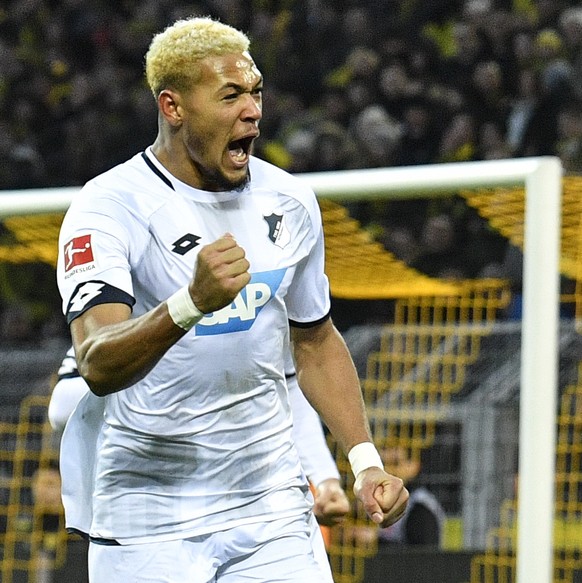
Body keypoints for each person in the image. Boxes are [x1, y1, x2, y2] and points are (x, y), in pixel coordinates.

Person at [55, 16, 408, 583]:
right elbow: (97, 361)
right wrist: (190, 303)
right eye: (231, 95)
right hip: (149, 506)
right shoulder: (108, 207)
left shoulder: (289, 201)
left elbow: (315, 340)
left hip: (270, 500)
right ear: (173, 107)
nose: (253, 111)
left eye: (256, 92)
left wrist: (364, 463)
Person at [49, 347, 351, 532]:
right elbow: (62, 406)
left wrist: (325, 479)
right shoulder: (137, 294)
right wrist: (181, 395)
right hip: (153, 512)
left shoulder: (263, 281)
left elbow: (289, 389)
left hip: (257, 507)